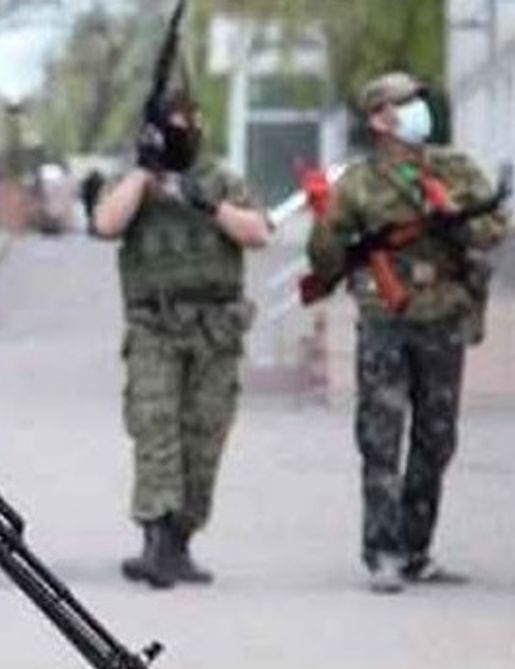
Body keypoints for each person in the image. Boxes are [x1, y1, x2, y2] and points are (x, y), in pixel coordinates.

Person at [306, 72, 509, 594]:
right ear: (379, 118)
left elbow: (494, 230)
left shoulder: (455, 168)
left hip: (442, 313)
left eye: (419, 100)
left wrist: (453, 216)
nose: (419, 109)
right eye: (406, 103)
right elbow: (325, 260)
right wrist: (324, 217)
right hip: (385, 316)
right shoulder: (359, 182)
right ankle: (383, 553)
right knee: (381, 435)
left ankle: (416, 549)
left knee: (436, 438)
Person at [92, 91, 271, 589]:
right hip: (154, 328)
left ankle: (181, 539)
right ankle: (156, 539)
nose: (187, 128)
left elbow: (257, 233)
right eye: (176, 121)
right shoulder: (135, 182)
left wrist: (204, 202)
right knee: (155, 428)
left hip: (216, 331)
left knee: (205, 434)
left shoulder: (220, 179)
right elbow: (106, 223)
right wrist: (143, 175)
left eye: (193, 119)